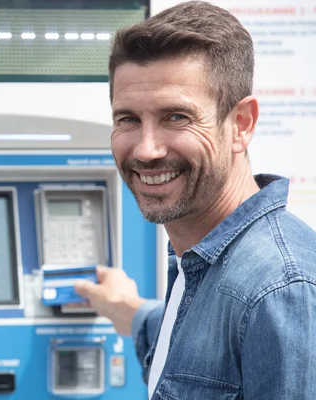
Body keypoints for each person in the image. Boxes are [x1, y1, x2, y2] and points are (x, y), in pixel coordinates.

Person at [73, 1, 316, 398]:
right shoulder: (201, 264)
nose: (147, 149)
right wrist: (129, 312)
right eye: (128, 119)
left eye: (177, 117)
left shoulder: (282, 289)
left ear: (241, 124)